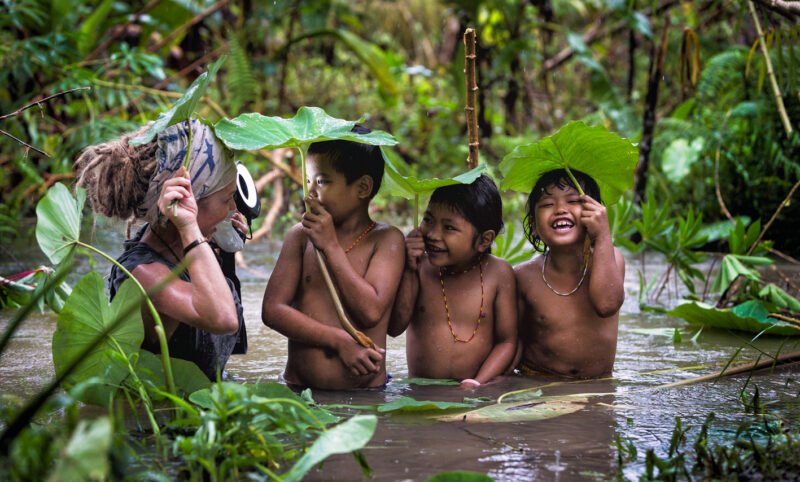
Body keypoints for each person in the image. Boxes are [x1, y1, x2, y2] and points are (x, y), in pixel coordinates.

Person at [75, 119, 248, 381]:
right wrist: (190, 227)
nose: (233, 209)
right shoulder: (144, 275)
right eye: (226, 199)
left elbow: (230, 348)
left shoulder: (191, 250)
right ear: (186, 201)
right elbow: (223, 318)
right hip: (162, 417)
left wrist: (225, 250)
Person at [261, 126, 405, 390]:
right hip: (298, 391)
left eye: (323, 181)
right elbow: (272, 310)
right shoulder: (300, 236)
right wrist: (338, 341)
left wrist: (330, 246)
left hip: (365, 398)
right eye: (308, 181)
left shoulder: (387, 240)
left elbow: (371, 311)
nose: (310, 194)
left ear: (362, 187)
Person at [389, 175, 517, 388]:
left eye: (449, 228)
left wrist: (478, 383)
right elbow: (395, 328)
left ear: (484, 240)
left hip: (477, 391)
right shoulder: (418, 267)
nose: (432, 234)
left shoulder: (499, 274)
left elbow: (508, 341)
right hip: (421, 392)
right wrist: (409, 270)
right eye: (428, 220)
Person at [515, 169, 625, 379]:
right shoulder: (523, 277)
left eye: (573, 201)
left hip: (597, 385)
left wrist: (602, 234)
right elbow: (513, 342)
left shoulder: (612, 260)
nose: (560, 209)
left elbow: (607, 305)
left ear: (594, 214)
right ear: (533, 226)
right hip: (539, 380)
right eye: (547, 204)